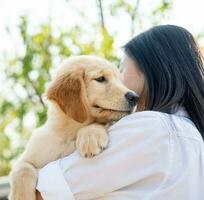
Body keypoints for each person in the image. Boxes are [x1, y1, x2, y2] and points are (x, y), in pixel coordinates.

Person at [36, 25, 204, 200]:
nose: (120, 81)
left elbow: (44, 192)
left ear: (148, 69)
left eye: (121, 69)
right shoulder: (193, 135)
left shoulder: (150, 128)